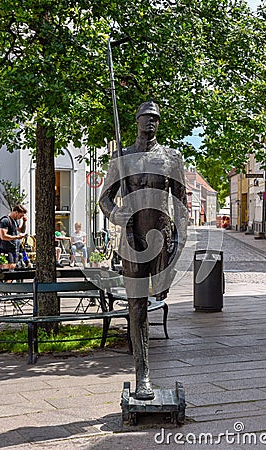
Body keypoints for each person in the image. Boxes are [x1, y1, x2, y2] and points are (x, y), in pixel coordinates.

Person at [99, 100, 188, 400]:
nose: (150, 123)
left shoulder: (171, 158)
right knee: (137, 308)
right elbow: (104, 199)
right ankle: (143, 375)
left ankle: (147, 369)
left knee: (158, 298)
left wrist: (180, 244)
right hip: (132, 240)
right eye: (145, 118)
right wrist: (115, 214)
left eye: (155, 119)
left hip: (161, 239)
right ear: (136, 120)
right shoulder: (123, 158)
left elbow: (181, 206)